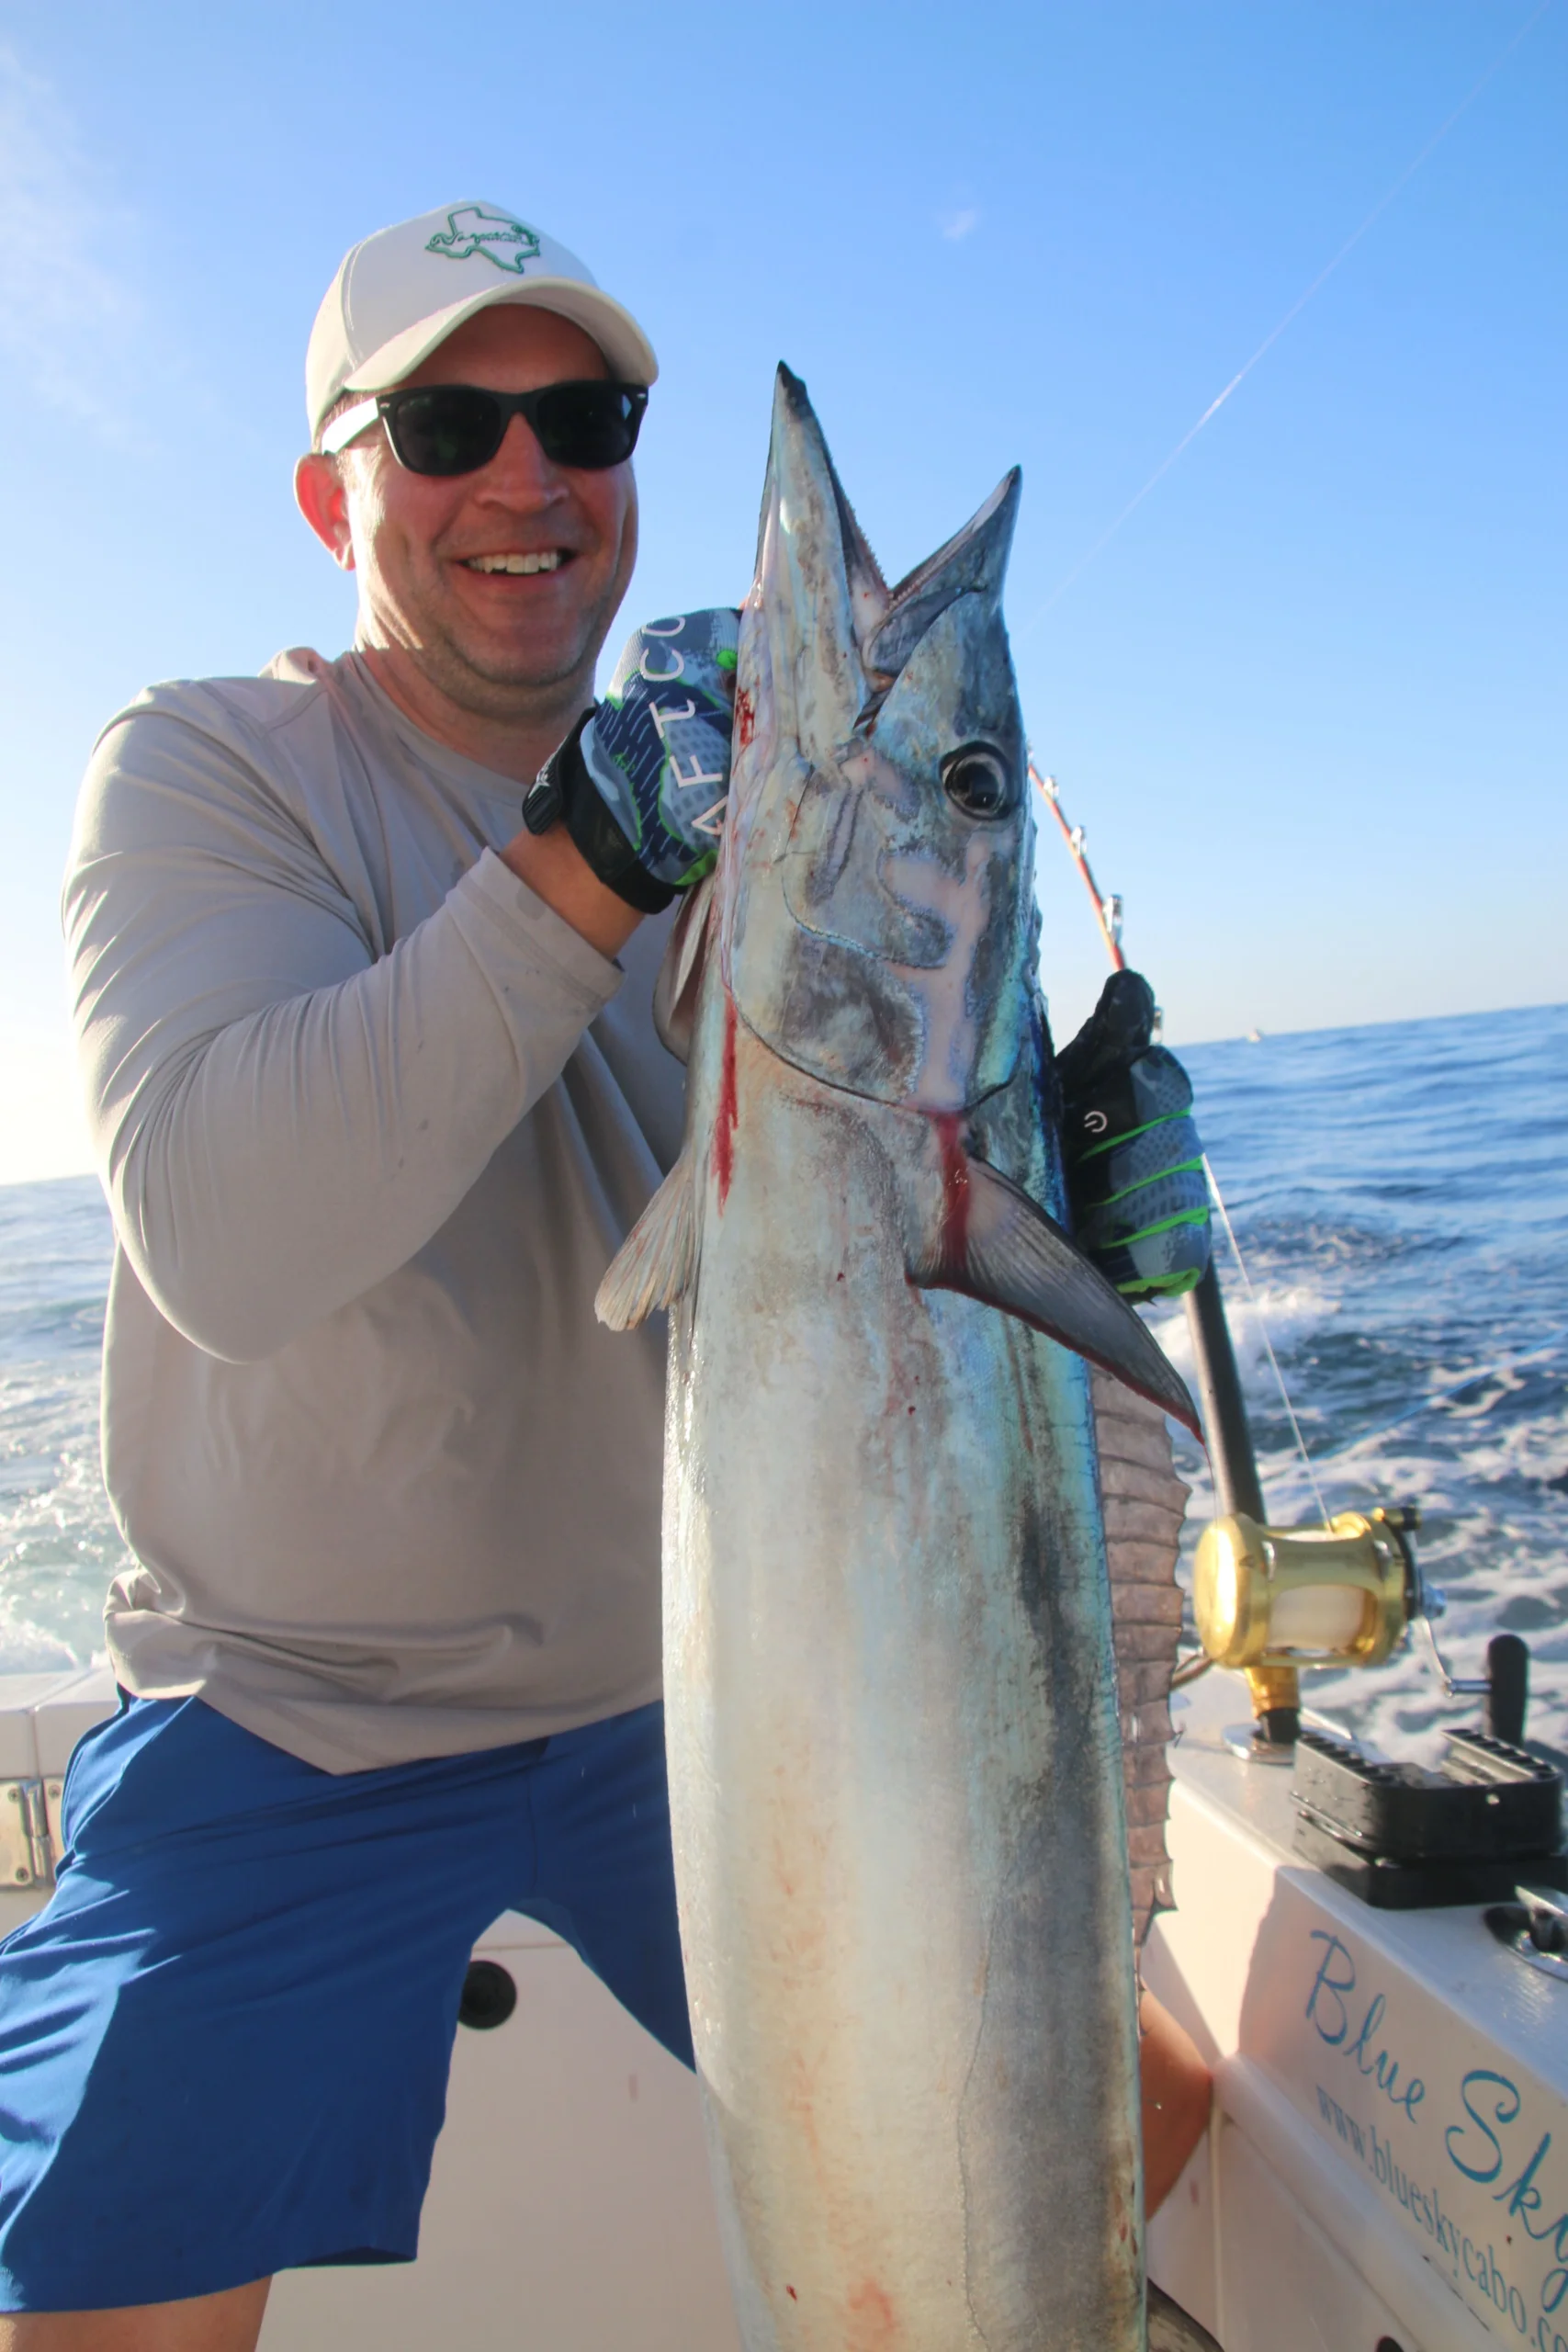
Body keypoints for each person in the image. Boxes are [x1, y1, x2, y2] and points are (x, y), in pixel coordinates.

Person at [0, 200, 1211, 2348]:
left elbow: (857, 1225)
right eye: (450, 419)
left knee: (1168, 2112)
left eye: (584, 415)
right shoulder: (205, 772)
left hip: (696, 1686)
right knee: (103, 2306)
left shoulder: (751, 813)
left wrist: (1062, 1197)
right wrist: (590, 851)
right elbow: (228, 1235)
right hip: (300, 1714)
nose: (527, 475)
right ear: (331, 489)